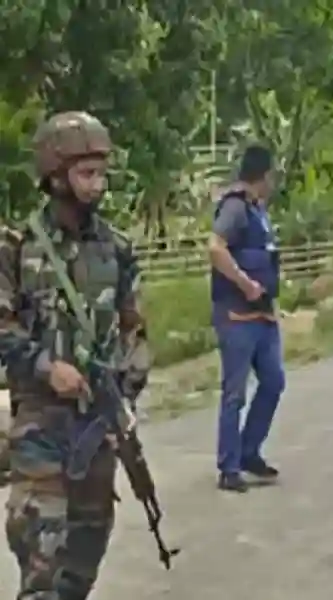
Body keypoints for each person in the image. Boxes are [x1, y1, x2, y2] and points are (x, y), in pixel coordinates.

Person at [0, 111, 150, 597]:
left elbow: (136, 330)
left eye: (102, 173)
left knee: (83, 559)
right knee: (40, 561)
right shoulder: (15, 249)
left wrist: (126, 384)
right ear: (55, 177)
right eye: (86, 174)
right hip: (41, 429)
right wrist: (47, 367)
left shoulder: (118, 249)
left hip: (96, 429)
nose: (98, 185)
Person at [209, 144, 284, 493]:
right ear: (264, 174)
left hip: (263, 315)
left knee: (273, 381)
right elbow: (215, 247)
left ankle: (248, 451)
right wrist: (244, 282)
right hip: (237, 314)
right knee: (234, 393)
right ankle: (229, 467)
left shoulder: (259, 210)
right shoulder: (236, 207)